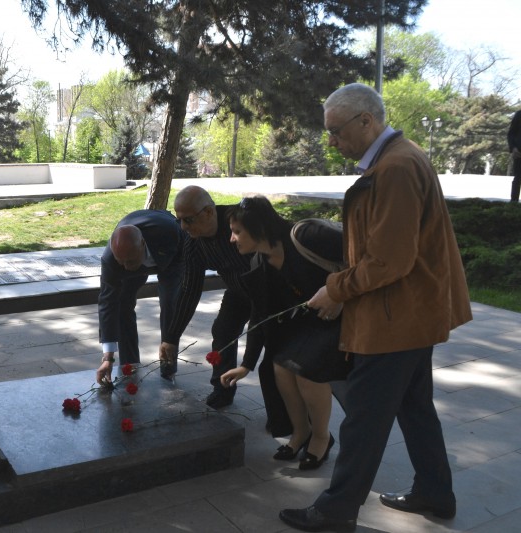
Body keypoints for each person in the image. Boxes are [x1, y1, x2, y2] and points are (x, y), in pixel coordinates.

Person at [279, 83, 472, 532]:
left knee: (364, 419)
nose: (331, 141)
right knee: (415, 408)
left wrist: (336, 290)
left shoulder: (397, 167)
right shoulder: (398, 158)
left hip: (395, 319)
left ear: (366, 121)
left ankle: (335, 511)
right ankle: (435, 492)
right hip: (408, 313)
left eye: (336, 131)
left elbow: (389, 260)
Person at [220, 195, 349, 469]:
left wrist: (339, 293)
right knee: (280, 365)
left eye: (237, 231)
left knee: (306, 370)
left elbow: (363, 256)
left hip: (345, 314)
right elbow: (260, 314)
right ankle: (300, 431)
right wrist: (246, 364)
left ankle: (321, 437)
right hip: (310, 322)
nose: (232, 239)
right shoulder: (259, 263)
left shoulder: (306, 235)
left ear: (258, 228)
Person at [159, 185, 291, 437]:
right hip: (238, 290)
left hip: (269, 291)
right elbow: (189, 289)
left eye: (188, 220)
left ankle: (282, 417)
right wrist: (171, 337)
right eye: (179, 221)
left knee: (270, 350)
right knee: (222, 332)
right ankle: (222, 389)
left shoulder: (239, 222)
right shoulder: (193, 242)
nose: (183, 227)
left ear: (208, 212)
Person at [95, 209, 186, 384]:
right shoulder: (111, 259)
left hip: (170, 254)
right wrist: (108, 357)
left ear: (142, 244)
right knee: (122, 305)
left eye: (129, 261)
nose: (126, 267)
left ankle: (168, 369)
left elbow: (184, 262)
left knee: (170, 303)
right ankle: (129, 367)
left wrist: (170, 339)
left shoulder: (170, 235)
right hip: (139, 251)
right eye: (121, 262)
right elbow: (107, 303)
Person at [507, 109, 521, 202]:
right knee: (518, 178)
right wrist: (513, 148)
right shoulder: (519, 114)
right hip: (519, 153)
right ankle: (513, 204)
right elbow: (511, 133)